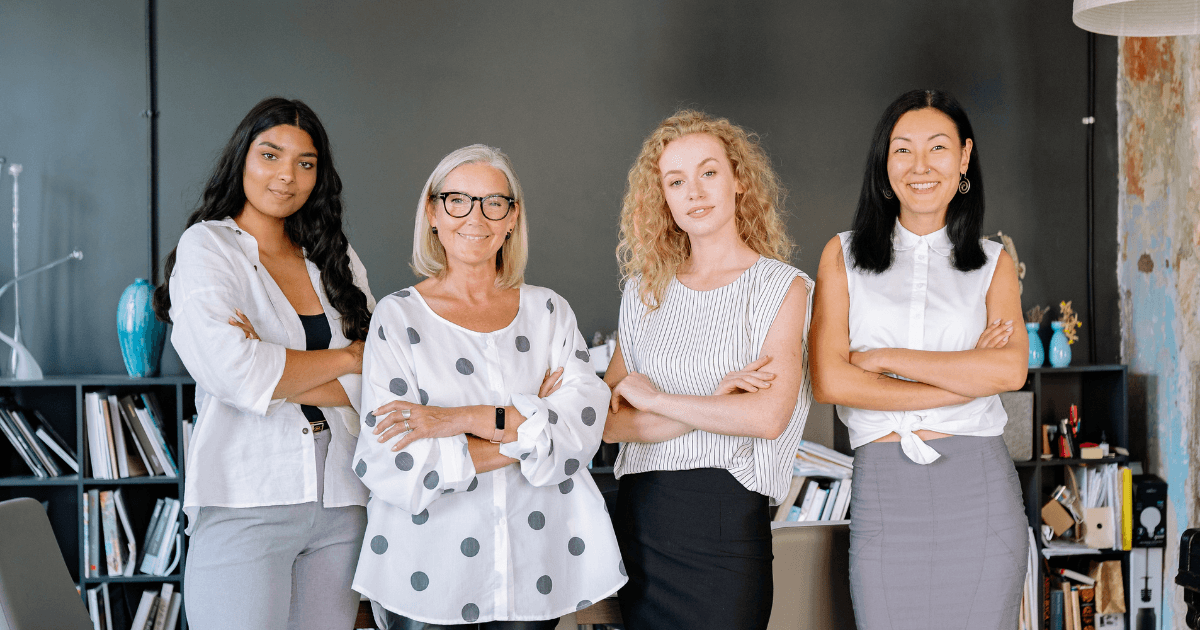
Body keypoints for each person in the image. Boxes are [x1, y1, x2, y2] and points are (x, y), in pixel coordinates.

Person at [350, 144, 625, 630]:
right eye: (458, 200)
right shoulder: (397, 316)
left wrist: (454, 420)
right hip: (427, 568)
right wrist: (533, 421)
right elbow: (393, 459)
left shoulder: (549, 312)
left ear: (512, 218)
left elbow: (582, 429)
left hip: (534, 563)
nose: (475, 217)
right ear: (433, 212)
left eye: (494, 202)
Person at [808, 89, 1029, 629]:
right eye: (903, 149)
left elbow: (1008, 370)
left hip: (978, 489)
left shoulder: (994, 263)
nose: (921, 165)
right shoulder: (842, 255)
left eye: (938, 148)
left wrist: (883, 358)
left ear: (964, 158)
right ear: (885, 164)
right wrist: (962, 378)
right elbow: (830, 380)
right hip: (885, 492)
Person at [153, 97, 374, 630]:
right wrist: (345, 358)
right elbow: (233, 372)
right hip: (247, 493)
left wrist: (274, 365)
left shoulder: (334, 256)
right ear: (242, 159)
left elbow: (384, 380)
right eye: (270, 155)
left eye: (305, 162)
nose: (287, 175)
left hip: (343, 496)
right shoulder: (208, 247)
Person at [603, 110, 813, 630]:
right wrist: (718, 404)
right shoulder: (643, 292)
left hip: (725, 518)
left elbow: (766, 417)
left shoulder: (781, 288)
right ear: (663, 198)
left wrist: (656, 402)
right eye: (676, 181)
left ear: (739, 180)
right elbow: (607, 423)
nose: (693, 192)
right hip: (643, 518)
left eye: (709, 172)